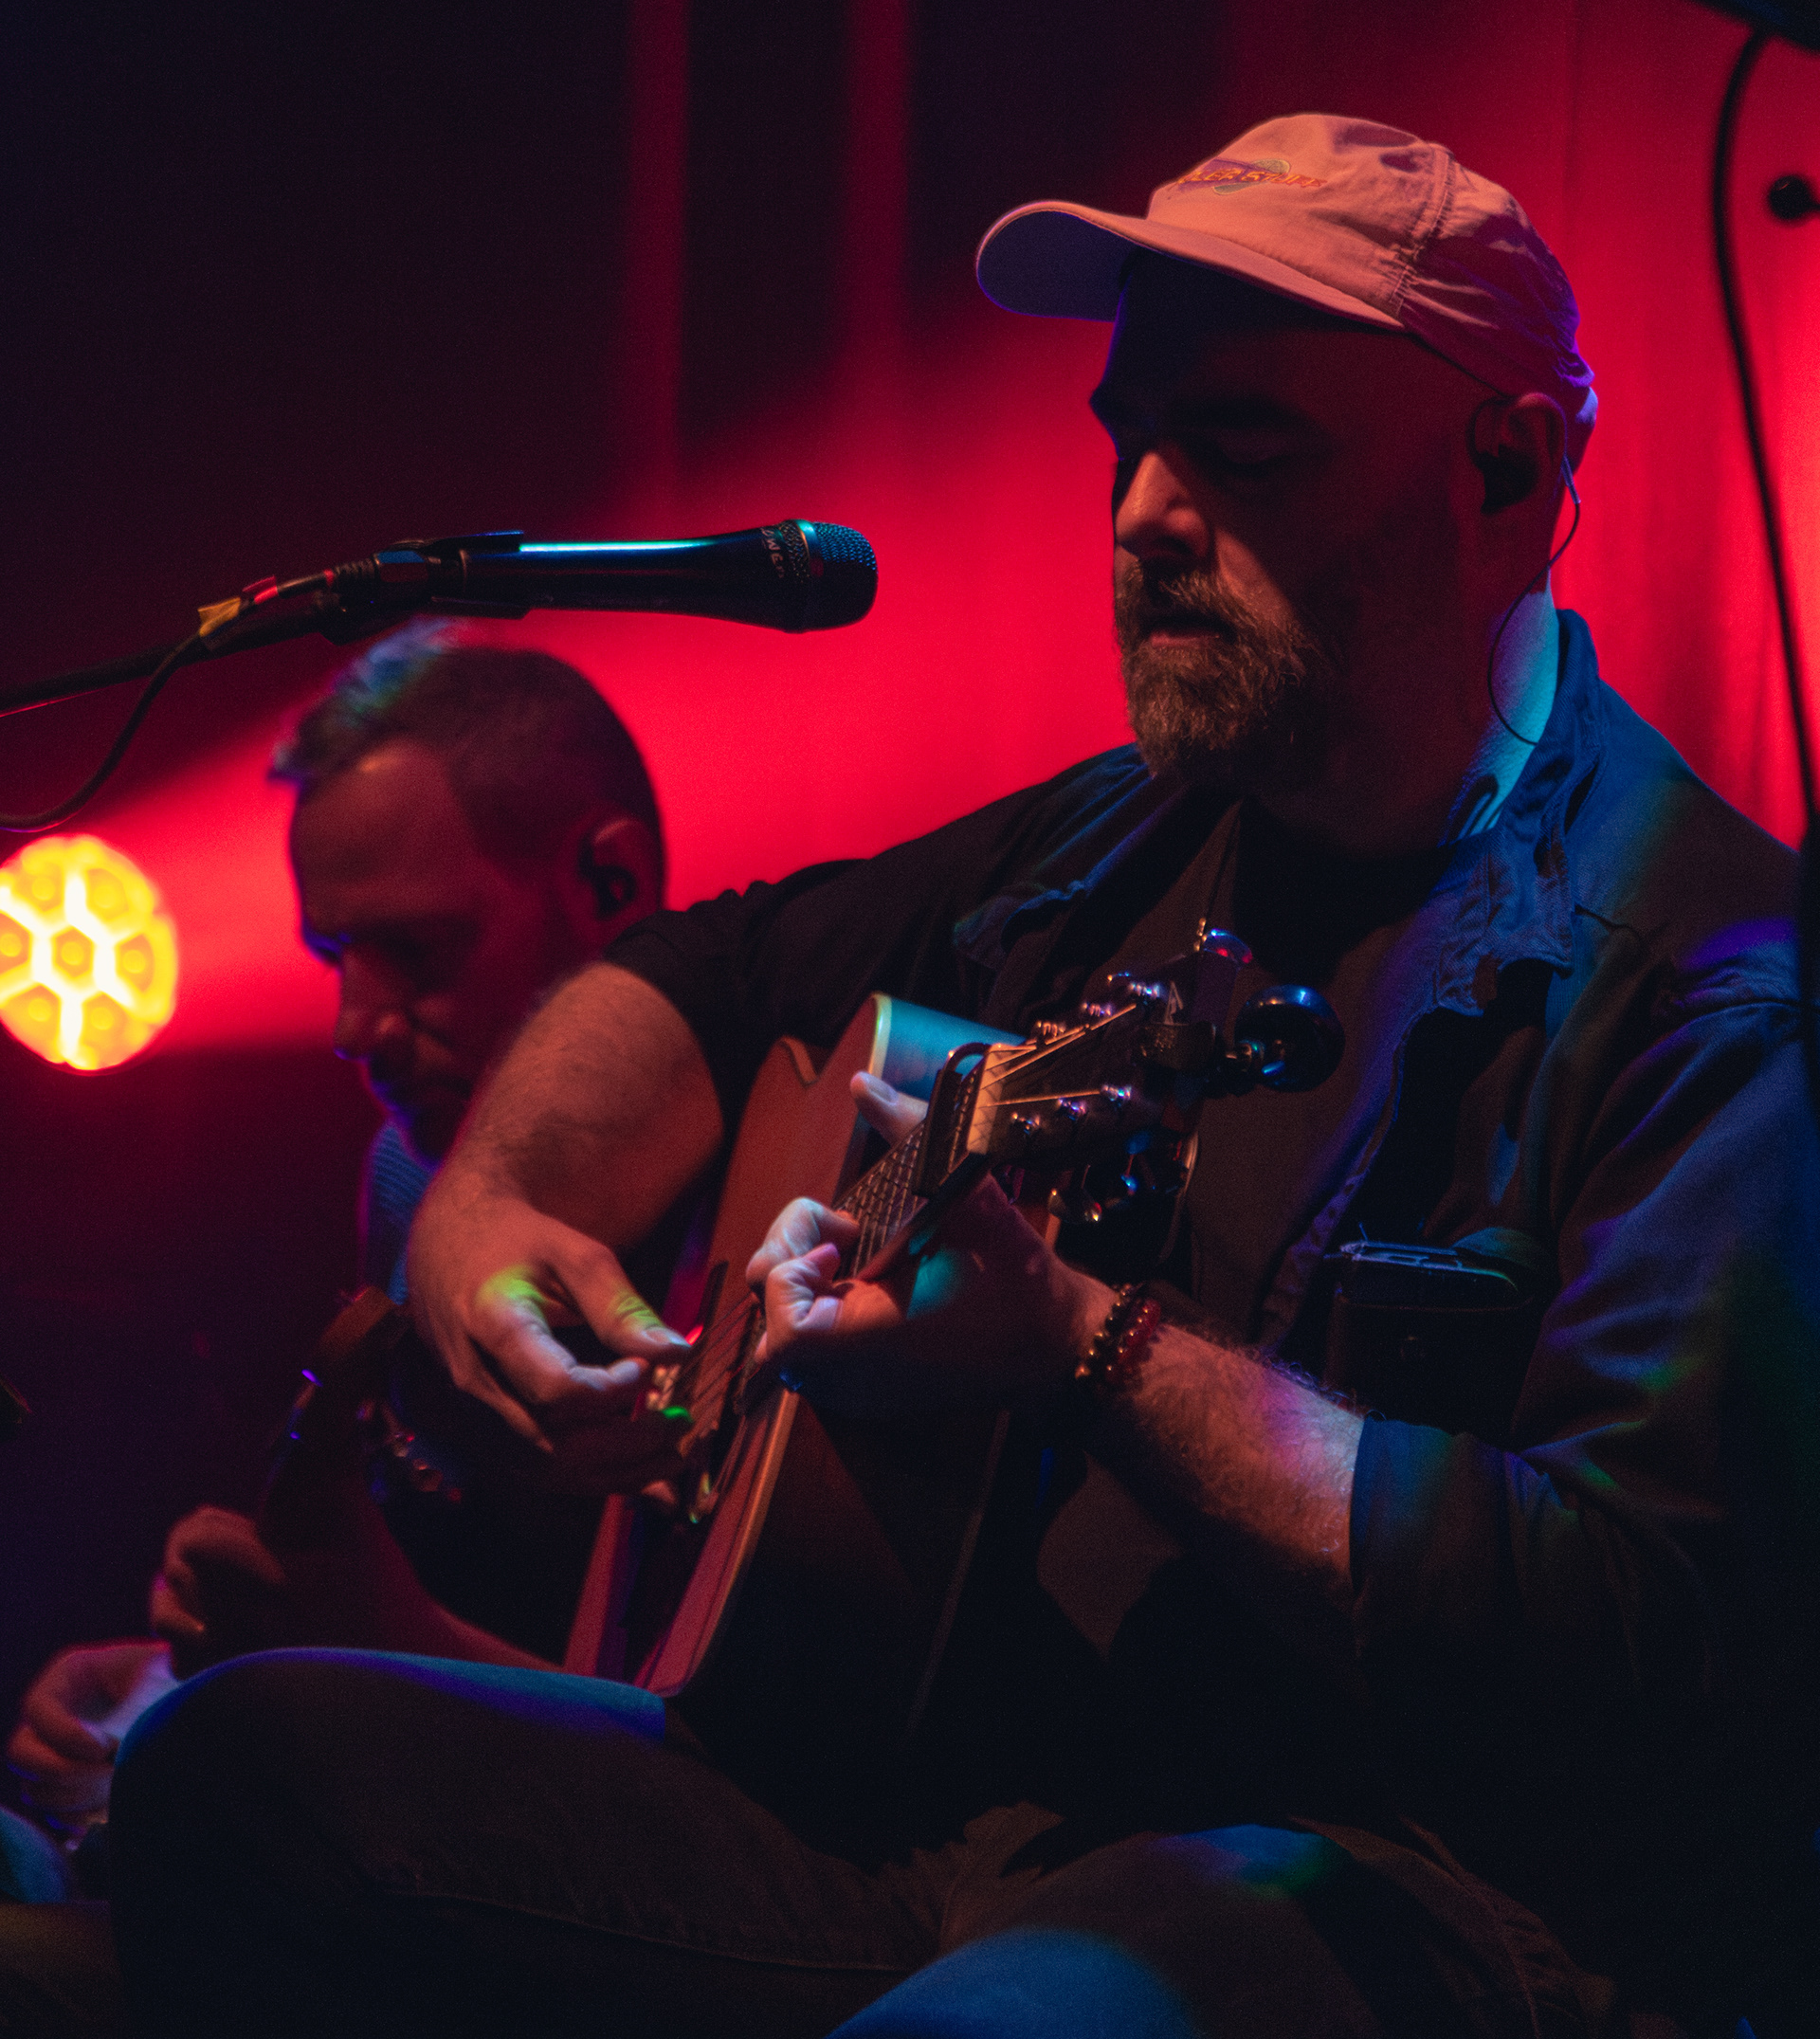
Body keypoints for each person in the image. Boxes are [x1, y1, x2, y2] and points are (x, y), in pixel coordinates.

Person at [109, 118, 1820, 2038]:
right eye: (1130, 442)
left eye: (1244, 450)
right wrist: (490, 1222)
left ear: (1506, 468)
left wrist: (1090, 1348)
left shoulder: (1712, 984)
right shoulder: (1121, 839)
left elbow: (1643, 1631)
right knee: (231, 1776)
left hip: (1396, 1890)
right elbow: (711, 970)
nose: (1145, 515)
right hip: (948, 1817)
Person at [7, 629, 692, 1855]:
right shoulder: (403, 1173)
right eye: (334, 959)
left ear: (612, 882)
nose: (352, 1025)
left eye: (418, 951)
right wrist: (170, 1677)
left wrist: (367, 1638)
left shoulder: (767, 1183)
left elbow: (725, 1780)